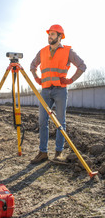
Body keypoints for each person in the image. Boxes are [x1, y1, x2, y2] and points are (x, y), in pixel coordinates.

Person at [30, 24, 87, 163]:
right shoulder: (42, 51)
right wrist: (37, 78)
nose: (50, 36)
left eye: (53, 34)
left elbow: (82, 66)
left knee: (60, 122)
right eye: (49, 34)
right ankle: (43, 153)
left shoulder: (68, 51)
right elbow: (32, 66)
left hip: (60, 90)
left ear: (60, 36)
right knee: (43, 121)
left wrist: (70, 80)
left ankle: (58, 153)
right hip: (45, 91)